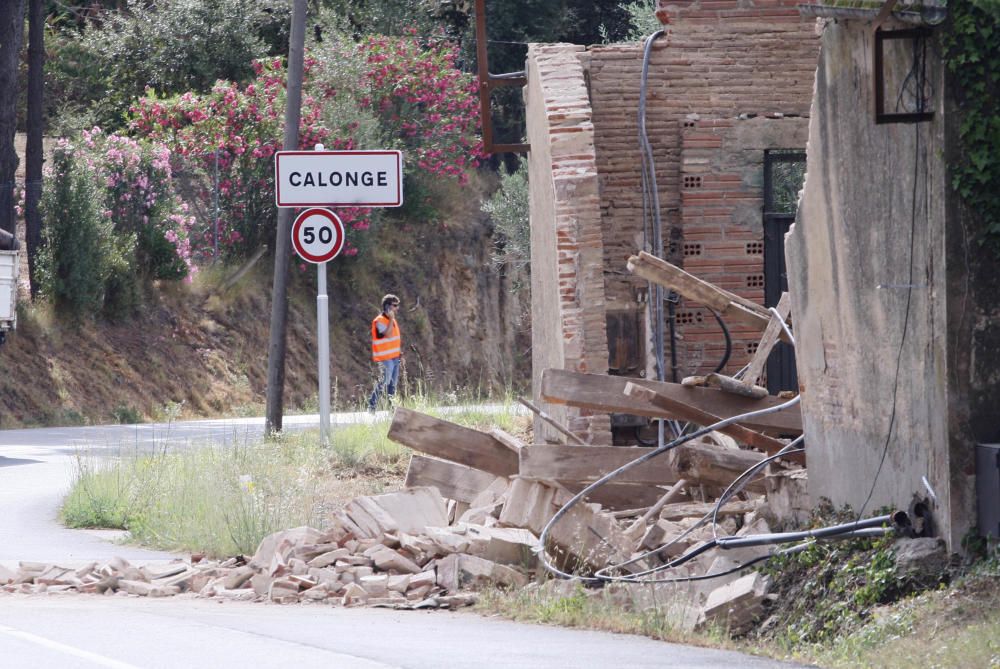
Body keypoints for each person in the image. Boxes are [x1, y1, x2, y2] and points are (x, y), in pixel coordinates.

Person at [368, 294, 402, 411]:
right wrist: (391, 319)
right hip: (385, 358)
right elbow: (387, 335)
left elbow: (394, 340)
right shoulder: (379, 321)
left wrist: (399, 354)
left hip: (394, 357)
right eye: (395, 305)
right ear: (388, 307)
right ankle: (372, 404)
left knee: (393, 384)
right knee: (385, 380)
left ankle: (391, 408)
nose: (397, 308)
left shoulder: (392, 321)